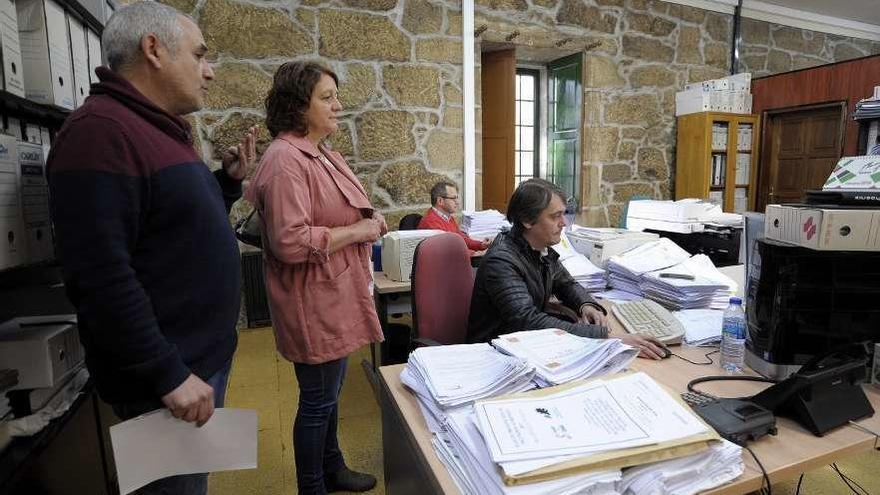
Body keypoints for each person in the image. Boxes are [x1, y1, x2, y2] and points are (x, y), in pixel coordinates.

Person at [47, 2, 257, 493]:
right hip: (165, 387)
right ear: (153, 49)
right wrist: (166, 374)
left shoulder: (153, 128)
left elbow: (162, 219)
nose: (210, 71)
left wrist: (223, 185)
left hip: (193, 366)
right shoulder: (99, 134)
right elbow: (99, 275)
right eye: (201, 55)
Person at [245, 61, 383, 495]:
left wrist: (368, 216)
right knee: (318, 402)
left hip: (333, 298)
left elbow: (341, 208)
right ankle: (312, 487)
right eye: (327, 97)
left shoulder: (320, 153)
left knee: (329, 396)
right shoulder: (287, 159)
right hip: (313, 304)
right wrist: (360, 231)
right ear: (298, 106)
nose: (338, 106)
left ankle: (332, 467)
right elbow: (289, 241)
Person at [467, 178, 667, 359]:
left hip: (524, 346)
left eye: (564, 215)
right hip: (495, 355)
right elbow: (527, 320)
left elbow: (566, 283)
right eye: (555, 216)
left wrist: (586, 305)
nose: (563, 223)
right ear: (527, 220)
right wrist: (606, 337)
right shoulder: (502, 261)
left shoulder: (538, 248)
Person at [418, 180, 490, 252]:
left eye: (457, 198)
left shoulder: (448, 218)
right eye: (453, 198)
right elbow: (447, 250)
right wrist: (472, 254)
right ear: (440, 201)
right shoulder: (430, 222)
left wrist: (481, 245)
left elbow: (461, 239)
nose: (457, 202)